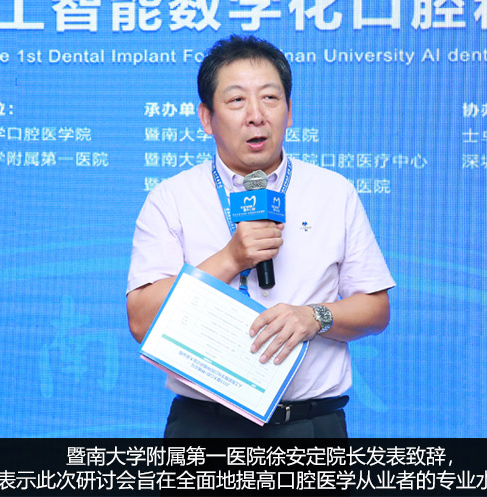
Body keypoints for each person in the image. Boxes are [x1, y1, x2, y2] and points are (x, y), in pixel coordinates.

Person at [126, 35, 395, 438]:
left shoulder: (333, 192)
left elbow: (375, 310)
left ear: (289, 112)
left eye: (270, 98)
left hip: (310, 426)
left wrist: (315, 317)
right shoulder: (172, 198)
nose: (256, 115)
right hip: (205, 428)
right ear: (206, 118)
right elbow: (141, 320)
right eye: (237, 100)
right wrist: (230, 259)